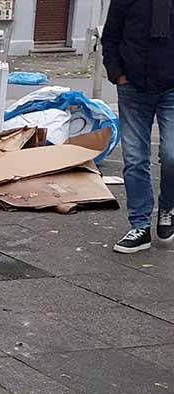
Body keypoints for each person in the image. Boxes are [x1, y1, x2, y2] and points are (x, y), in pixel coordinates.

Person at [102, 0, 174, 253]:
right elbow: (110, 37)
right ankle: (140, 225)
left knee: (171, 153)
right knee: (134, 158)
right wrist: (118, 75)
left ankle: (167, 208)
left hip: (171, 89)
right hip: (133, 87)